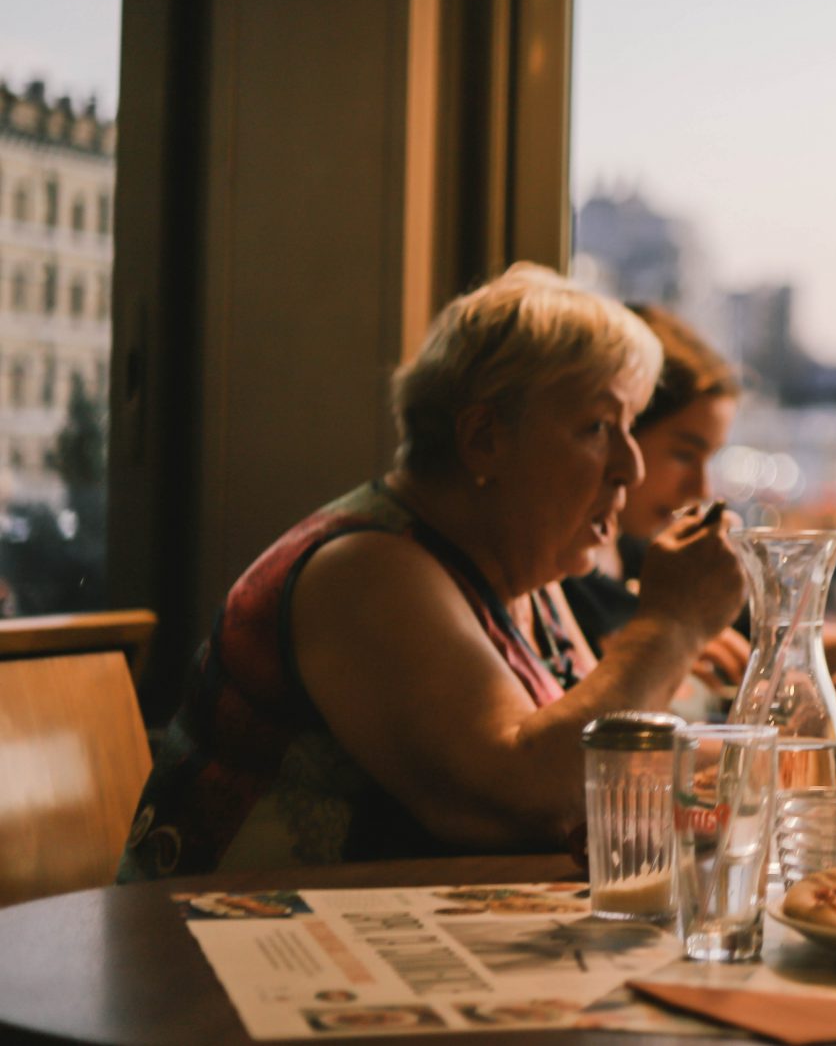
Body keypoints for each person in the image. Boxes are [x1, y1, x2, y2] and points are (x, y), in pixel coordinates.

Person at [122, 265, 748, 878]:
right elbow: (524, 798)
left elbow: (602, 774)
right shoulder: (364, 571)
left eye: (631, 429)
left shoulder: (525, 579)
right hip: (231, 953)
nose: (631, 468)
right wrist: (670, 623)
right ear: (483, 438)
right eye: (596, 429)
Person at [563, 302, 749, 694]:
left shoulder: (641, 552)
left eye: (709, 458)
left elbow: (762, 633)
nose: (701, 488)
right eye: (684, 454)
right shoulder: (558, 571)